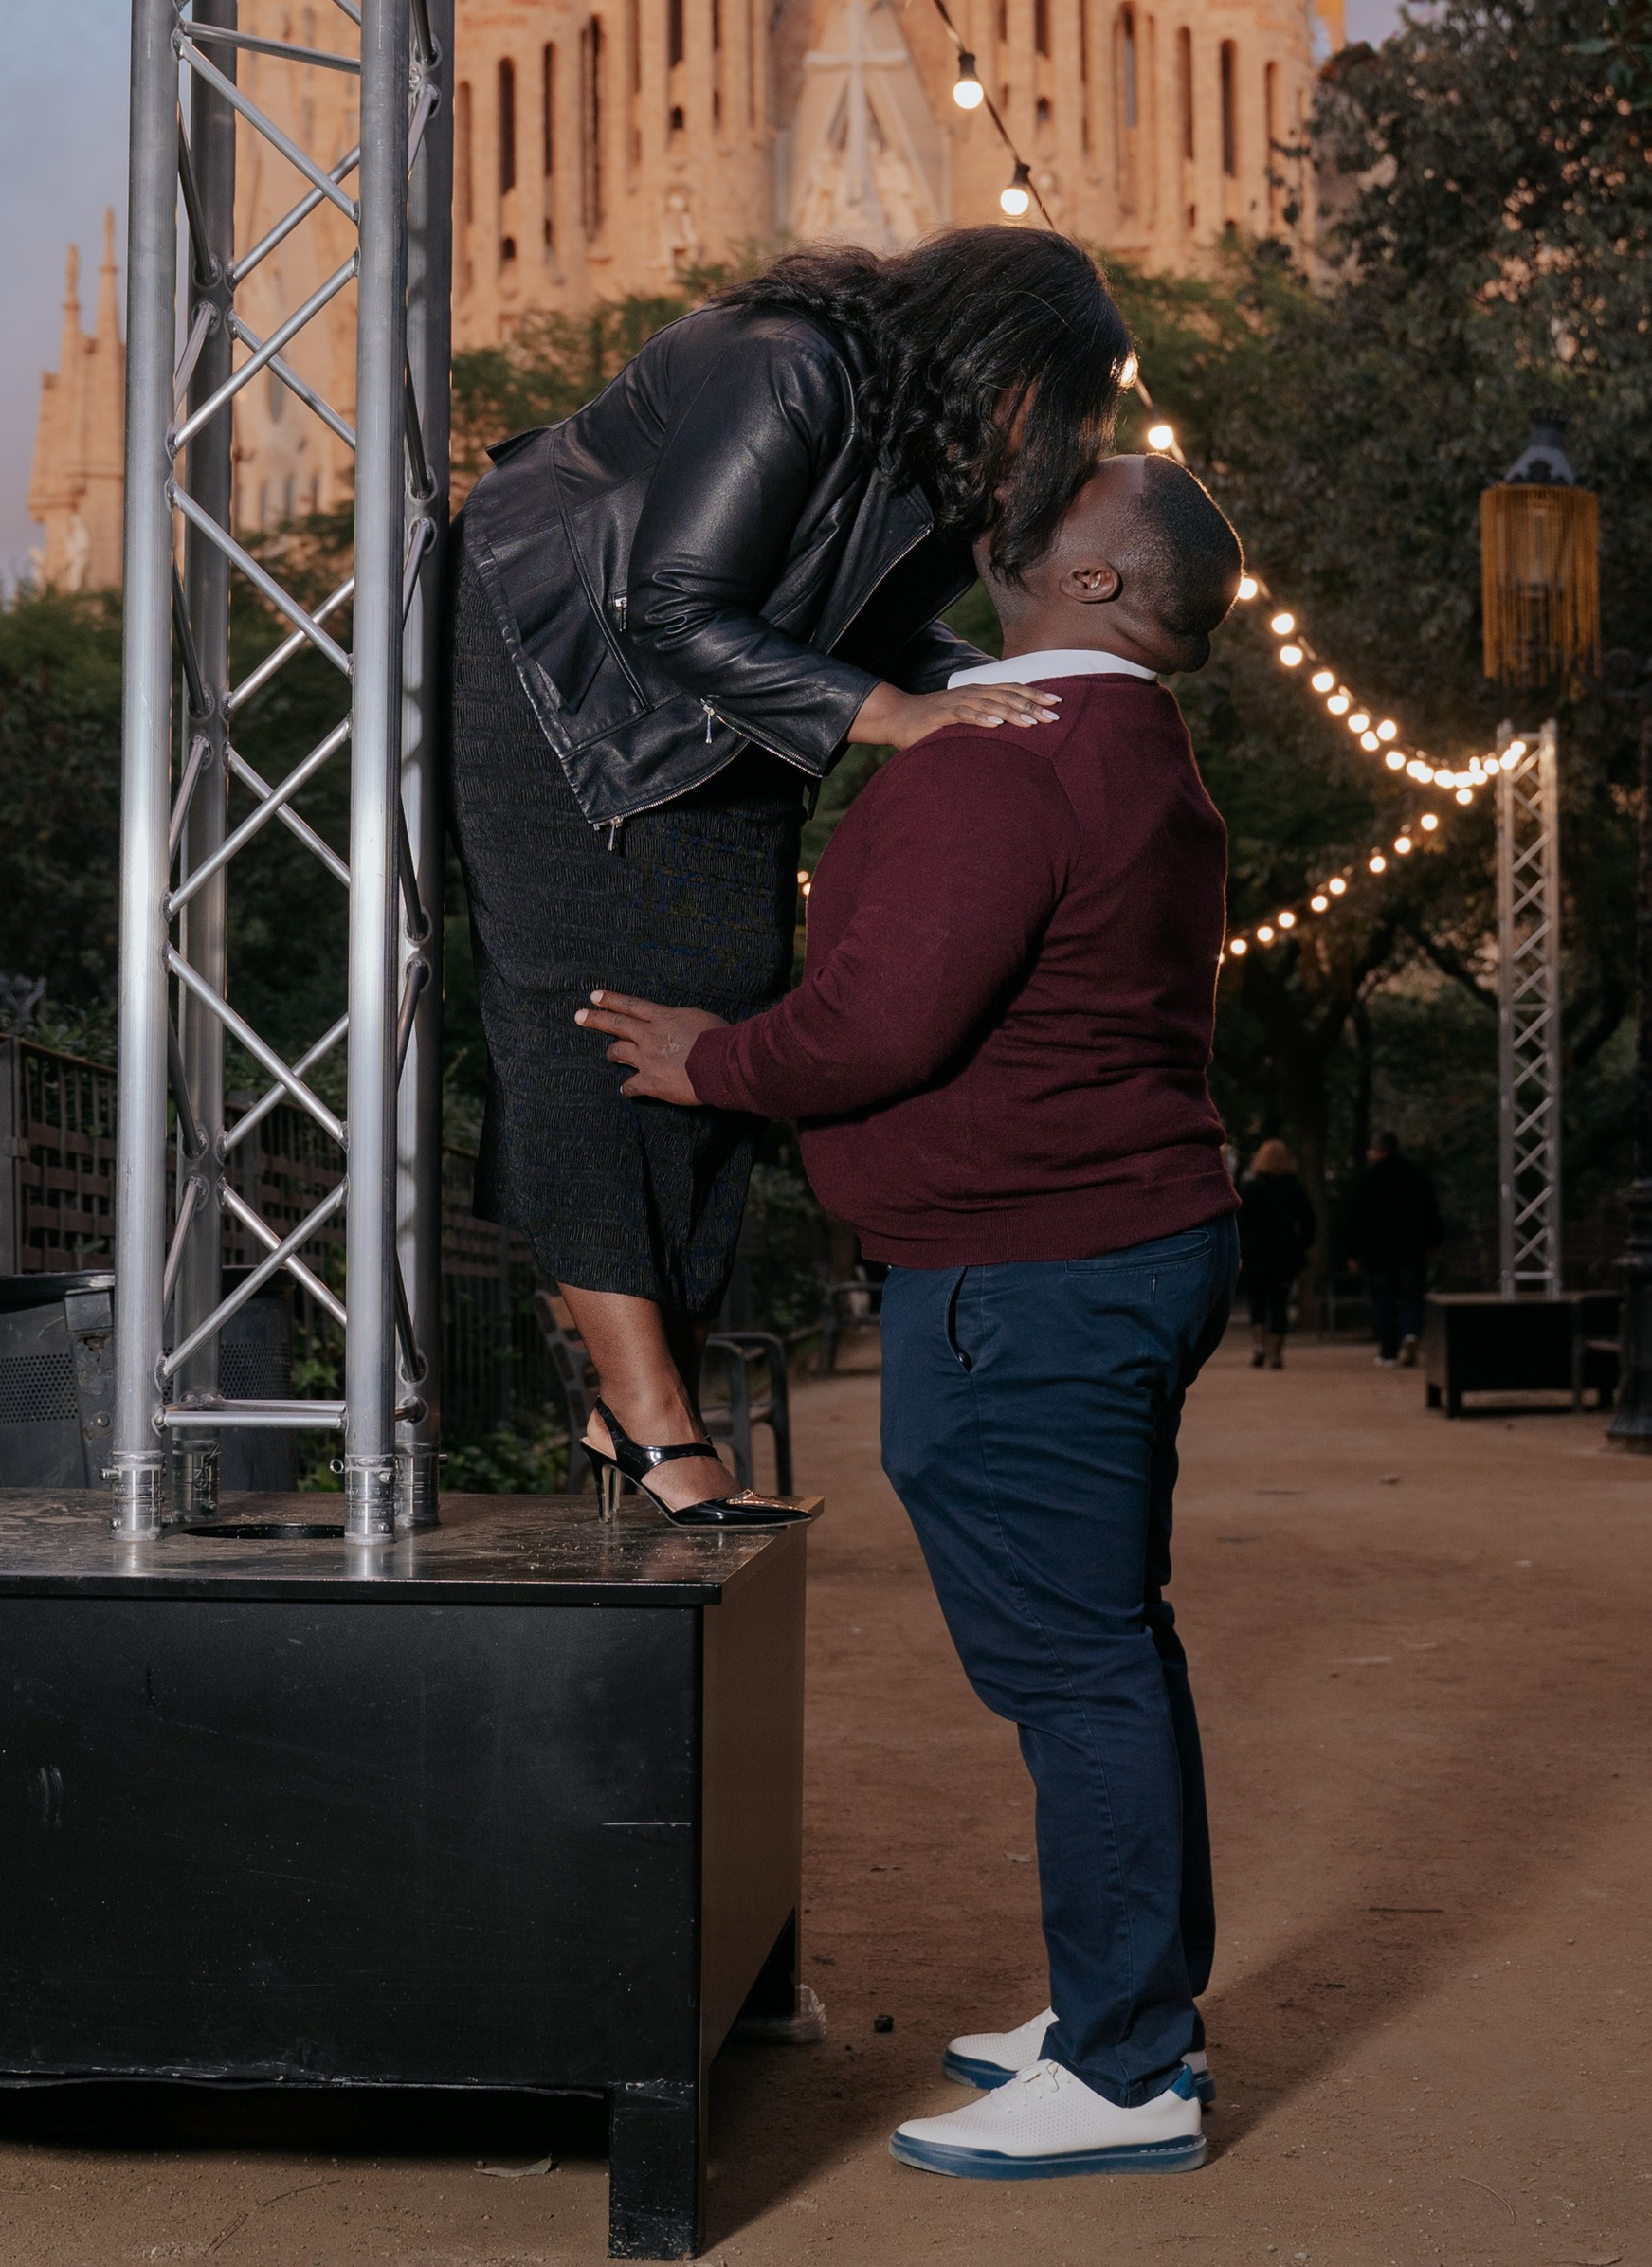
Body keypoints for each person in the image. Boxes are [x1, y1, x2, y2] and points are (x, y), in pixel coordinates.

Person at [583, 452, 1244, 2178]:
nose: (1028, 499)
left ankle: (1123, 2074)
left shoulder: (1000, 768)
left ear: (1097, 584)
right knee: (1114, 1644)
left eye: (1073, 498)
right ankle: (1129, 2002)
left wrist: (710, 1060)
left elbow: (879, 1024)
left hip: (1031, 1279)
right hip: (1114, 1249)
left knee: (1076, 1668)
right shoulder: (1126, 748)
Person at [450, 229, 1132, 1525]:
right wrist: (898, 714)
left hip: (728, 694)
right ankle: (650, 1428)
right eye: (1051, 389)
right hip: (559, 665)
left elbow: (861, 618)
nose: (1053, 428)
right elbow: (672, 604)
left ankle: (637, 1405)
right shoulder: (791, 365)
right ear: (989, 343)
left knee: (729, 1006)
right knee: (584, 1022)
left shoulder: (939, 453)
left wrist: (999, 695)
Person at [1338, 1128, 1443, 1365]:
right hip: (1412, 1248)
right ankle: (1411, 1333)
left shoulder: (1367, 1179)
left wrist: (1352, 1252)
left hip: (1378, 1252)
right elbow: (1430, 1211)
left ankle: (1388, 1351)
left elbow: (1355, 1218)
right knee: (1412, 1295)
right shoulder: (1416, 1175)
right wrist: (1434, 1241)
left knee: (1383, 1300)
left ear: (1377, 1151)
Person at [1236, 1139, 1315, 1368]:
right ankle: (1276, 1353)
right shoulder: (1294, 1188)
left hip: (1255, 1256)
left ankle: (1259, 1346)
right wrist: (1302, 1244)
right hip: (1284, 1256)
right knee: (1279, 1303)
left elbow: (1240, 1223)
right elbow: (1309, 1221)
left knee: (1256, 1302)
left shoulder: (1250, 1188)